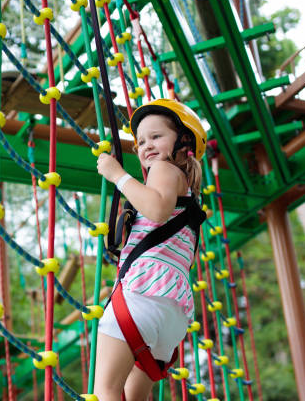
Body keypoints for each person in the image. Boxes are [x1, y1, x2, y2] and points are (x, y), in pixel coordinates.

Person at [94, 99, 207, 401]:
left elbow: (156, 210)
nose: (146, 146)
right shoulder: (191, 201)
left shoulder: (164, 170)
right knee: (134, 396)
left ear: (184, 141)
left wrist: (116, 174)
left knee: (106, 390)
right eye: (141, 141)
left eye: (156, 137)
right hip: (171, 316)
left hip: (141, 297)